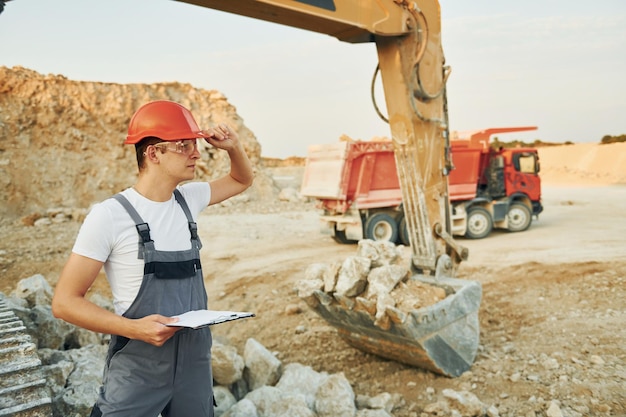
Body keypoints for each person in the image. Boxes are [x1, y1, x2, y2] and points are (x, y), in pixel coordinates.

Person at [52, 100, 254, 417]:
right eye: (183, 146)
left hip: (195, 365)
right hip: (139, 365)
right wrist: (135, 329)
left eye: (195, 145)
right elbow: (64, 302)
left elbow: (242, 180)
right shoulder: (110, 216)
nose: (196, 153)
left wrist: (234, 147)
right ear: (154, 153)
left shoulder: (190, 200)